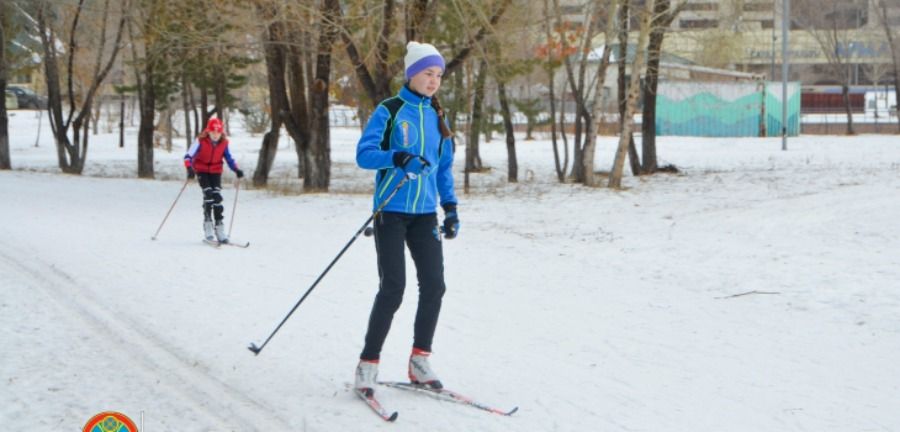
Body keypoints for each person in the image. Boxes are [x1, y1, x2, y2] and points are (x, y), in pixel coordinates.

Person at [353, 41, 461, 396]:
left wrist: (451, 208)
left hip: (424, 214)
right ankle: (368, 364)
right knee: (393, 288)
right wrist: (397, 158)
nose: (434, 81)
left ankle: (419, 360)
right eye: (428, 73)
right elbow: (365, 155)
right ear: (412, 73)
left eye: (439, 75)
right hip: (391, 212)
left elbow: (444, 168)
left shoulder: (437, 117)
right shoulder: (389, 110)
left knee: (434, 285)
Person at [184, 117, 244, 243]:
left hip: (216, 171)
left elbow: (229, 158)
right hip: (202, 170)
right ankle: (208, 225)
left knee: (217, 198)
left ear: (221, 132)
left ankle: (219, 227)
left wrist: (236, 169)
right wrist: (190, 169)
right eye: (213, 132)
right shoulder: (200, 141)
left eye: (218, 132)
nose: (215, 135)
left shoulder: (224, 143)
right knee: (209, 195)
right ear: (208, 132)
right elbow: (188, 156)